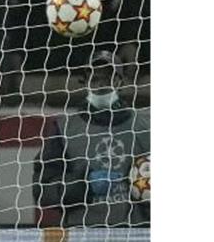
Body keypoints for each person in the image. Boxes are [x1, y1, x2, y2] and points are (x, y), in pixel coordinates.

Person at [34, 50, 150, 227]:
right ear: (85, 82)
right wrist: (84, 185)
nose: (101, 85)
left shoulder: (145, 127)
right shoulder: (64, 129)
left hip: (135, 236)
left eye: (108, 78)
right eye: (95, 79)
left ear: (119, 82)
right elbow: (42, 191)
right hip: (82, 238)